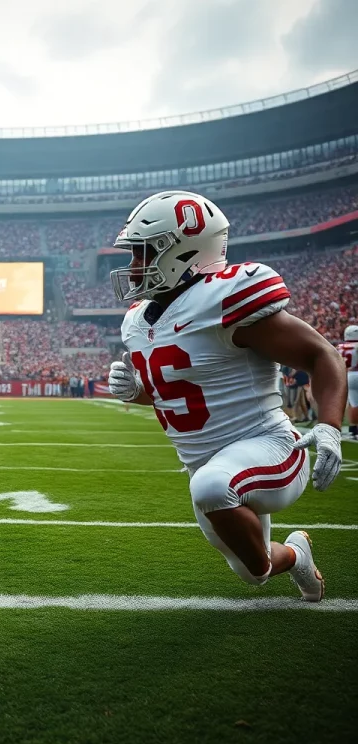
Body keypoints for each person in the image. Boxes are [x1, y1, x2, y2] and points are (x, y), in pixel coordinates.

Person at [107, 190, 345, 602]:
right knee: (256, 571)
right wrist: (137, 392)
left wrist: (328, 426)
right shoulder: (135, 322)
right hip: (206, 465)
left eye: (143, 253)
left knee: (213, 487)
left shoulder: (224, 295)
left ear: (184, 250)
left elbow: (320, 354)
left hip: (270, 449)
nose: (133, 266)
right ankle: (296, 555)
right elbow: (174, 393)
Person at [337, 325, 358, 440]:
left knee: (353, 403)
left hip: (345, 375)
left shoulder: (339, 346)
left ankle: (353, 428)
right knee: (355, 404)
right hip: (356, 372)